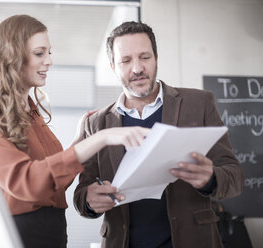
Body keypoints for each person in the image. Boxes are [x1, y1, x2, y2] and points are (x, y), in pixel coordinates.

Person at [0, 15, 149, 248]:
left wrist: (80, 138)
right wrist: (100, 138)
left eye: (49, 52)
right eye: (39, 53)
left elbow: (51, 181)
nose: (48, 61)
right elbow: (26, 183)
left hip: (52, 233)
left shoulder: (30, 109)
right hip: (18, 235)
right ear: (12, 57)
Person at [73, 21, 244, 248]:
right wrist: (88, 200)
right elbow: (81, 194)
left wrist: (210, 178)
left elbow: (235, 178)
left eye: (144, 57)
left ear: (156, 58)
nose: (137, 68)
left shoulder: (199, 103)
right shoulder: (96, 123)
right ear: (113, 66)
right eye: (126, 60)